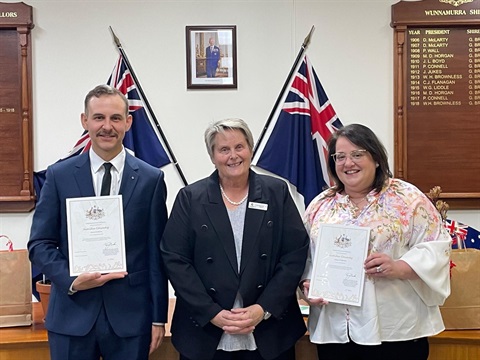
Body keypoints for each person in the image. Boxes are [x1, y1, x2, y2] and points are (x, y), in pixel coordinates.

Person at [28, 85, 169, 360]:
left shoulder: (151, 180)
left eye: (116, 118)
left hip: (131, 320)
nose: (107, 126)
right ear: (85, 121)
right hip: (72, 315)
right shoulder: (59, 176)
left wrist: (157, 318)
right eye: (99, 118)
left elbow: (157, 255)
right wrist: (71, 280)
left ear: (128, 122)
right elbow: (39, 244)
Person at [300, 123, 451, 360]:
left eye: (358, 154)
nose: (348, 163)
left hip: (396, 329)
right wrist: (307, 285)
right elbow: (305, 258)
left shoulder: (407, 198)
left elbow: (437, 248)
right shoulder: (320, 205)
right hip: (336, 330)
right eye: (340, 157)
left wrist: (400, 267)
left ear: (377, 159)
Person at [161, 118, 309, 360]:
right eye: (224, 149)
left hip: (269, 329)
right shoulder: (190, 198)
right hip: (205, 331)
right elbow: (175, 260)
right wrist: (211, 312)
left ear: (250, 149)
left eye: (239, 147)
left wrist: (263, 309)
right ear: (212, 156)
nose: (233, 156)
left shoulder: (276, 192)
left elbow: (294, 254)